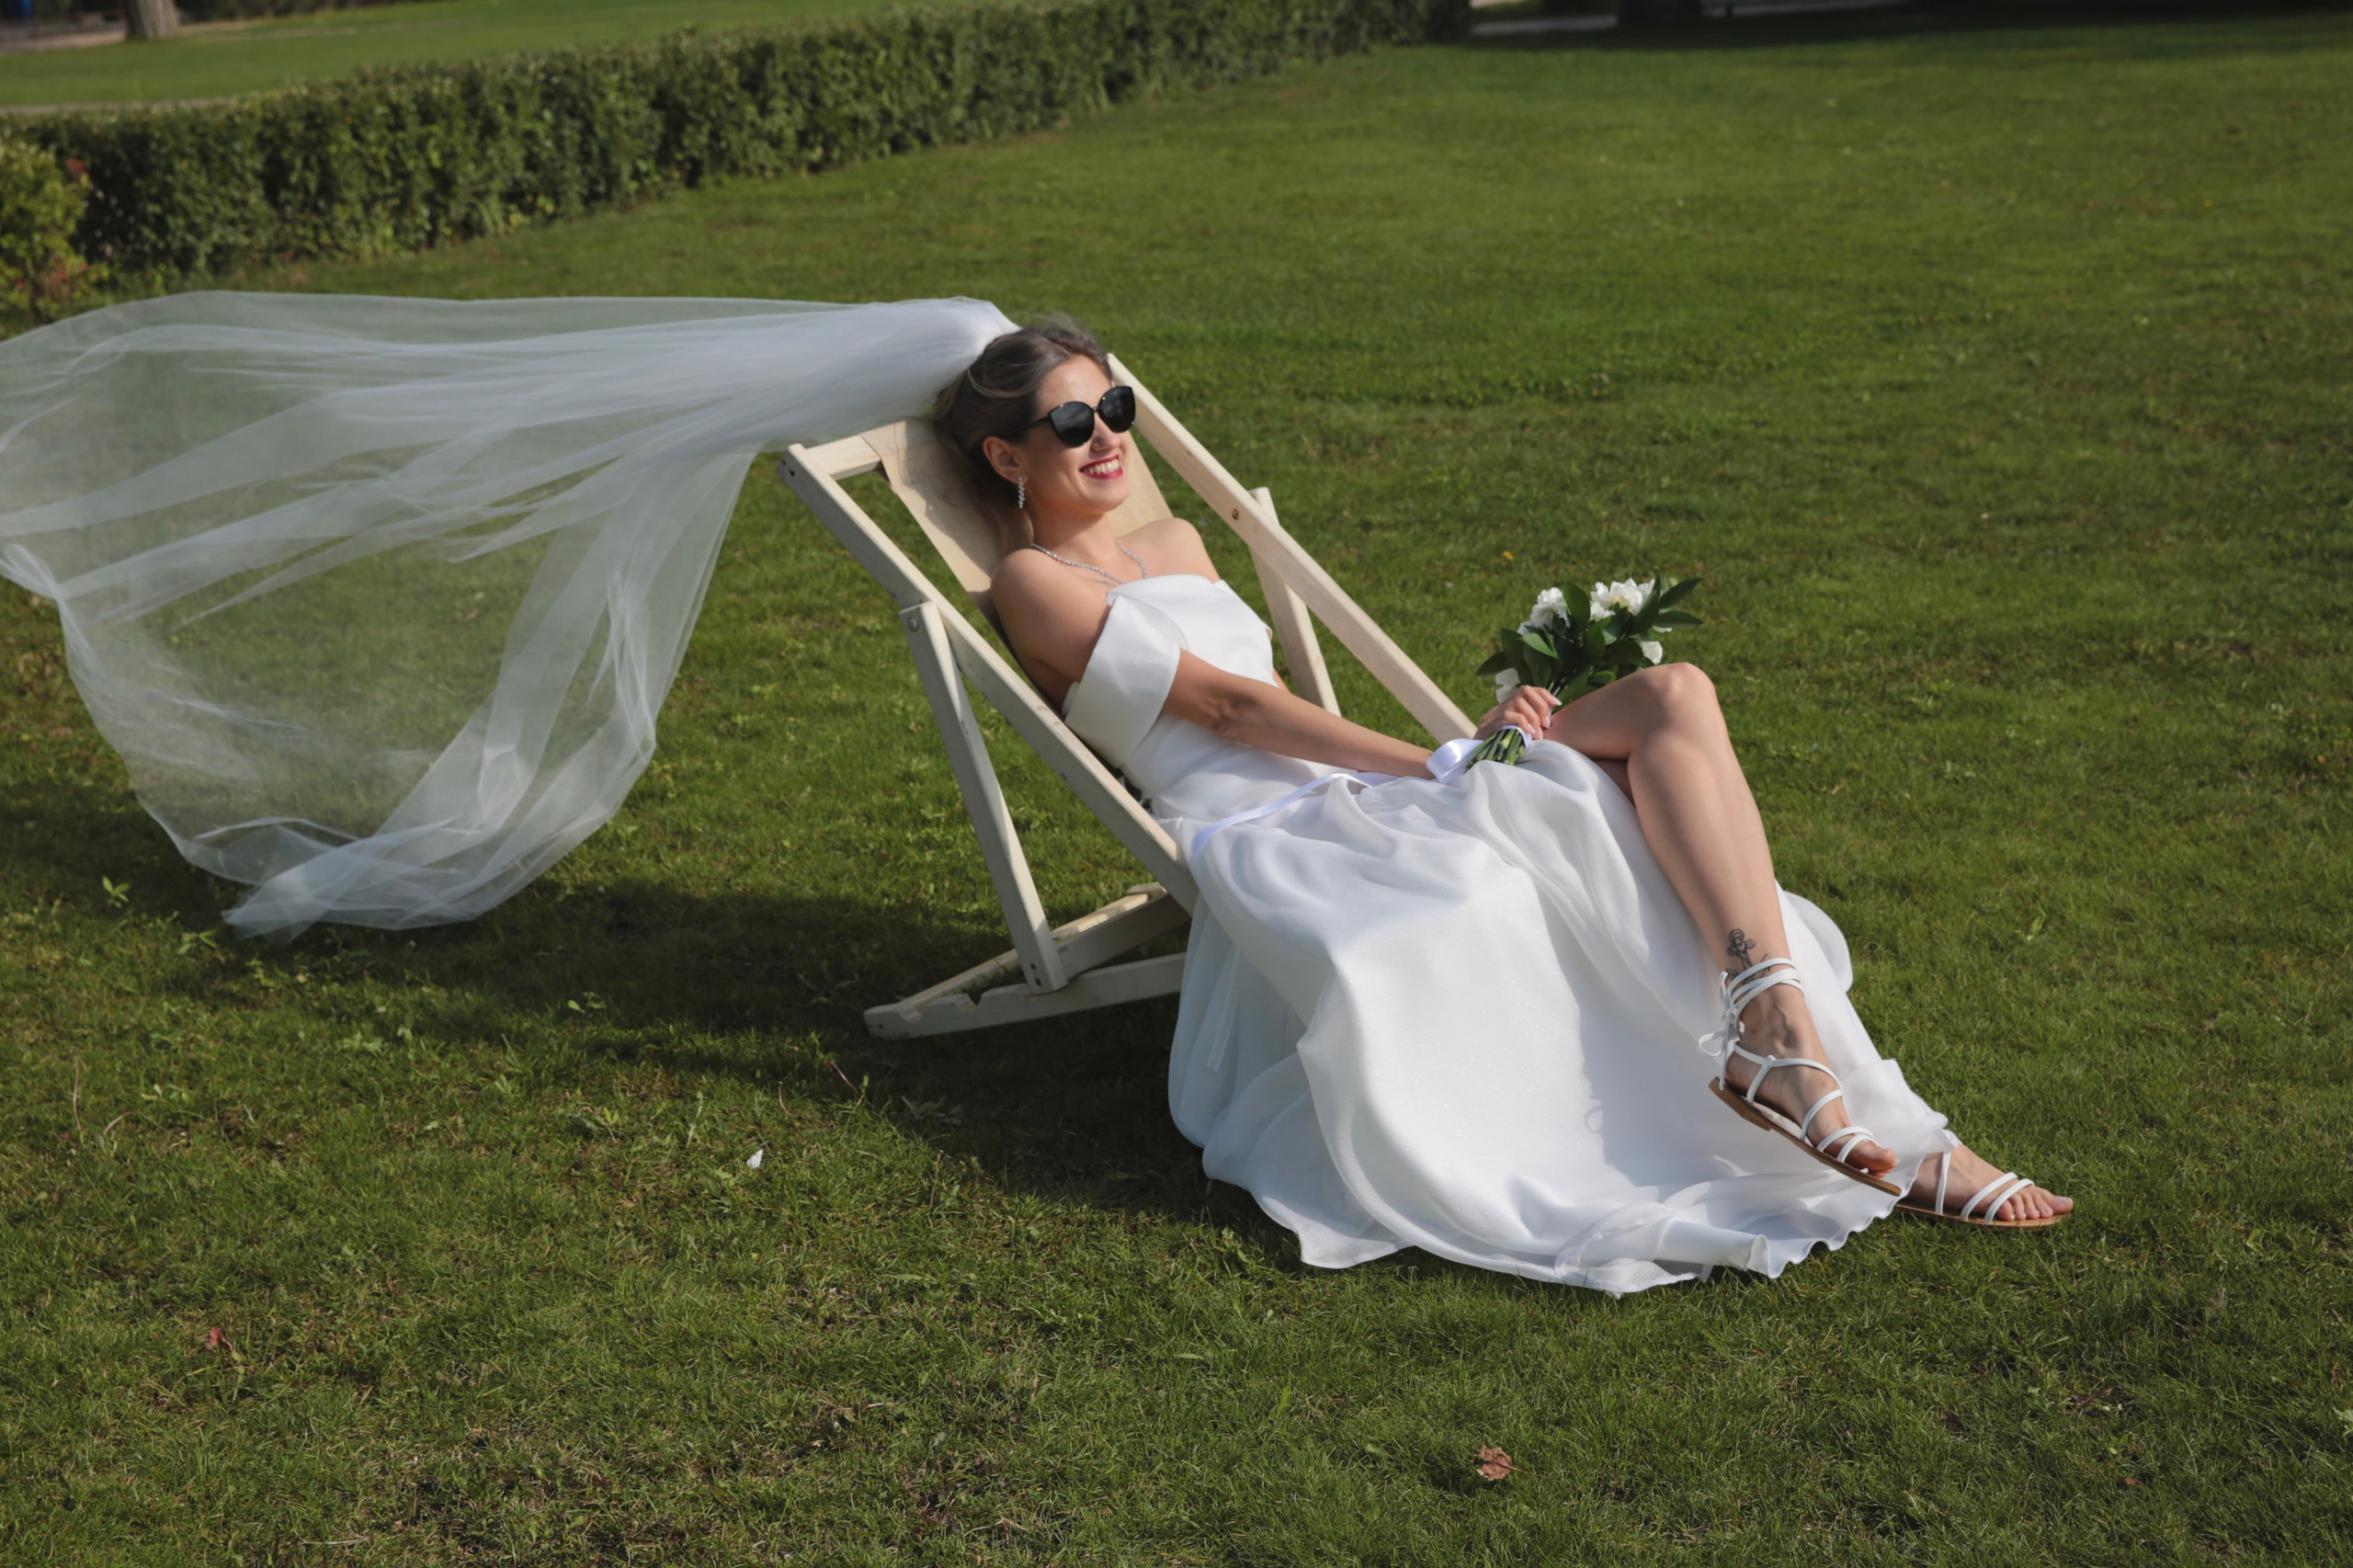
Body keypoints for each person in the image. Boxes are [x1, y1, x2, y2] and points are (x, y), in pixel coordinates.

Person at [935, 317, 2070, 1294]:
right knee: (1534, 834)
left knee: (1673, 696)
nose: (1109, 438)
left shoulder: (1175, 540)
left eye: (1116, 406)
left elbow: (1268, 699)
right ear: (1004, 454)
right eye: (1073, 424)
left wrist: (1463, 753)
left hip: (1362, 784)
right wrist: (1436, 761)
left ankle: (1782, 1037)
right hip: (1279, 830)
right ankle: (1798, 1077)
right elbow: (1231, 712)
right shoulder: (1033, 583)